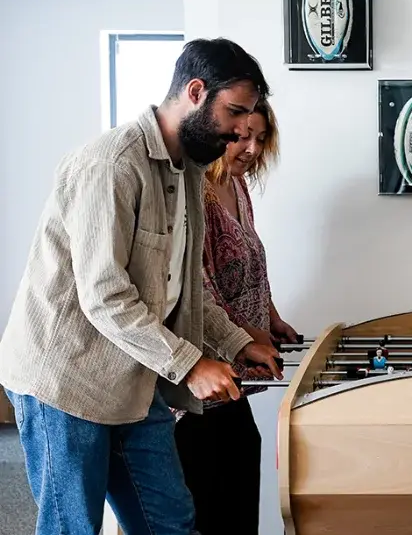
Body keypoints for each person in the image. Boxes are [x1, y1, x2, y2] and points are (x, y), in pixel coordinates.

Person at [0, 37, 283, 535]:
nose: (243, 130)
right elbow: (105, 295)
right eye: (236, 112)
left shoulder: (190, 173)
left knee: (171, 524)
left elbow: (186, 288)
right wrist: (192, 364)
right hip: (65, 382)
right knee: (72, 527)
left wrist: (239, 341)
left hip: (135, 379)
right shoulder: (112, 163)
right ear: (195, 92)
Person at [173, 96, 297, 535]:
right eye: (243, 137)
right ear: (220, 131)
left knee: (242, 473)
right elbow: (198, 286)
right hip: (200, 379)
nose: (252, 149)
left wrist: (273, 317)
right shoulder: (195, 191)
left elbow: (251, 263)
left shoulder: (240, 188)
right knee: (209, 501)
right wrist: (248, 336)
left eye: (261, 139)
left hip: (237, 375)